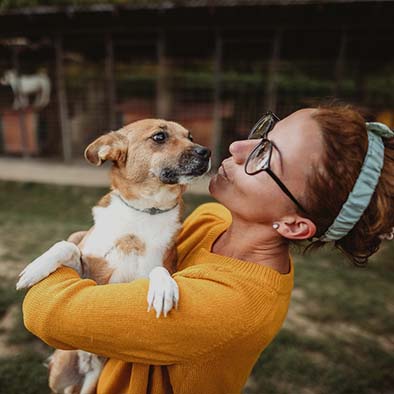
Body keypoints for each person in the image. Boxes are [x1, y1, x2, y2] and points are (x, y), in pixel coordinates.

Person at [22, 105, 394, 394]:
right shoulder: (212, 220)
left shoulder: (226, 307)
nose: (237, 147)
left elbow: (45, 312)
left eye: (266, 156)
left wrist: (73, 248)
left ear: (294, 225)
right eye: (265, 132)